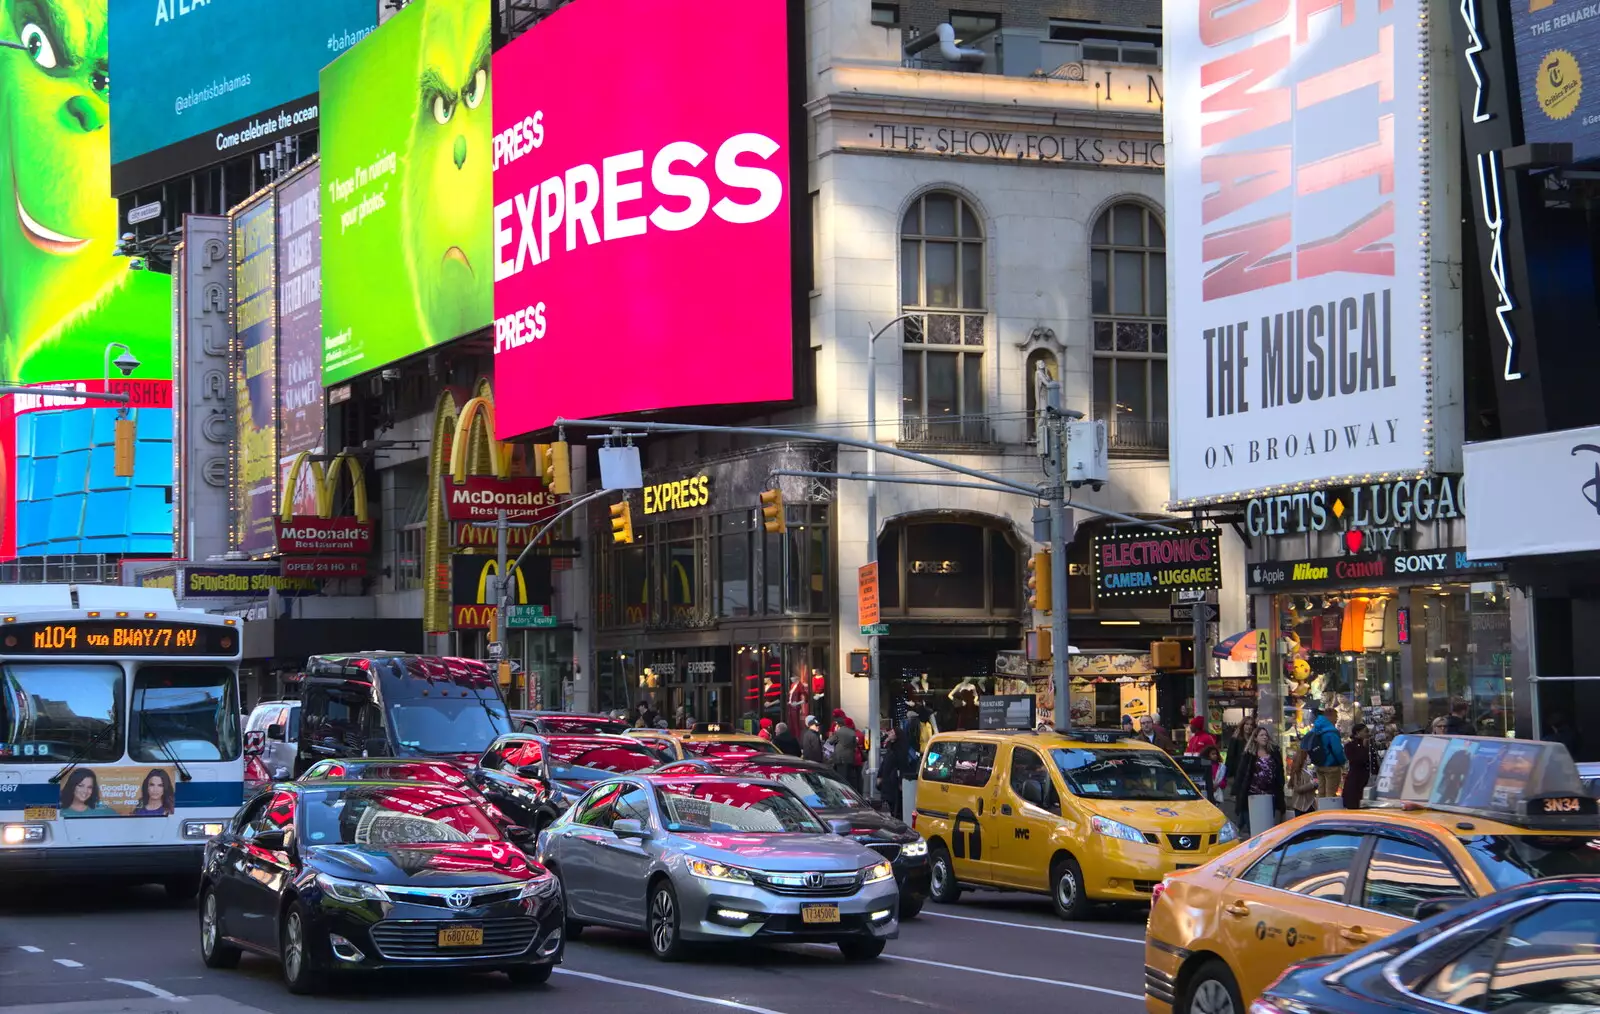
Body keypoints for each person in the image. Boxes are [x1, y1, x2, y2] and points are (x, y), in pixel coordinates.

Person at [1235, 727, 1284, 836]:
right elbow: (1242, 774)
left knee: (1267, 825)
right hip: (1252, 794)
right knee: (1254, 826)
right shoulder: (1249, 754)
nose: (1264, 737)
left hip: (1270, 794)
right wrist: (1238, 791)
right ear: (1255, 738)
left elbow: (1280, 772)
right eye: (1261, 735)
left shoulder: (1274, 752)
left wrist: (1281, 785)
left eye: (1266, 735)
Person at [1301, 706, 1346, 797]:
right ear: (1331, 717)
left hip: (1319, 764)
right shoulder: (1331, 732)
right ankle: (1328, 810)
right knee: (1330, 793)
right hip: (1332, 766)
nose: (1336, 720)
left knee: (1321, 792)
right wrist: (1342, 762)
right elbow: (1337, 750)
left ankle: (1321, 810)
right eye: (1335, 717)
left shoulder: (1316, 728)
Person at [1224, 716, 1259, 800]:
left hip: (1253, 775)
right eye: (1246, 724)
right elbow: (1230, 758)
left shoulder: (1255, 741)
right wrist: (1229, 775)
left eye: (1251, 725)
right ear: (1242, 725)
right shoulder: (1236, 739)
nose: (1249, 727)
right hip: (1239, 774)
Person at [1343, 724, 1372, 810]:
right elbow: (1357, 760)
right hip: (1356, 780)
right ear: (1358, 733)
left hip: (1366, 779)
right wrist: (1363, 747)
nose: (1368, 734)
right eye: (1365, 731)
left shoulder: (1370, 744)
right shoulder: (1350, 746)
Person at [877, 727, 903, 816]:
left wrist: (900, 781)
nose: (889, 734)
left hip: (893, 779)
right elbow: (884, 762)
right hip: (887, 778)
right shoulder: (890, 746)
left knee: (894, 803)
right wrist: (879, 775)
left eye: (892, 732)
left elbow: (902, 765)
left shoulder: (900, 748)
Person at [828, 714, 858, 788]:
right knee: (849, 777)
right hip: (850, 758)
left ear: (838, 725)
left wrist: (835, 732)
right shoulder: (852, 732)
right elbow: (855, 745)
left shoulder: (838, 732)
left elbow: (830, 741)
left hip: (840, 758)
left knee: (841, 777)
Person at [1287, 747, 1318, 817]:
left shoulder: (1310, 772)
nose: (1310, 758)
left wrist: (1315, 784)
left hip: (1310, 804)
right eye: (1308, 756)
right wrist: (1312, 784)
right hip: (1301, 806)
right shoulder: (1298, 773)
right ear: (1303, 758)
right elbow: (1298, 789)